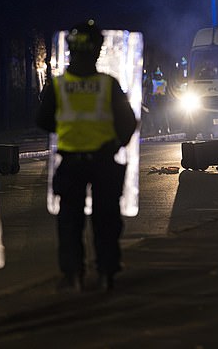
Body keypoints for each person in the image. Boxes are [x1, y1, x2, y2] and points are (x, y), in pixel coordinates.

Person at [36, 19, 137, 292]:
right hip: (103, 162)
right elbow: (128, 122)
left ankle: (74, 275)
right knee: (106, 220)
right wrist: (116, 143)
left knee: (70, 222)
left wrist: (69, 130)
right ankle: (107, 273)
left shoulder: (57, 87)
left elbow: (44, 121)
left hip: (71, 163)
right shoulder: (108, 84)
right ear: (97, 50)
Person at [144, 66, 169, 134]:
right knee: (163, 115)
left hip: (156, 100)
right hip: (162, 100)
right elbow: (167, 91)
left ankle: (158, 129)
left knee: (156, 115)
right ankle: (166, 129)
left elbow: (147, 89)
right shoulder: (164, 81)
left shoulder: (152, 81)